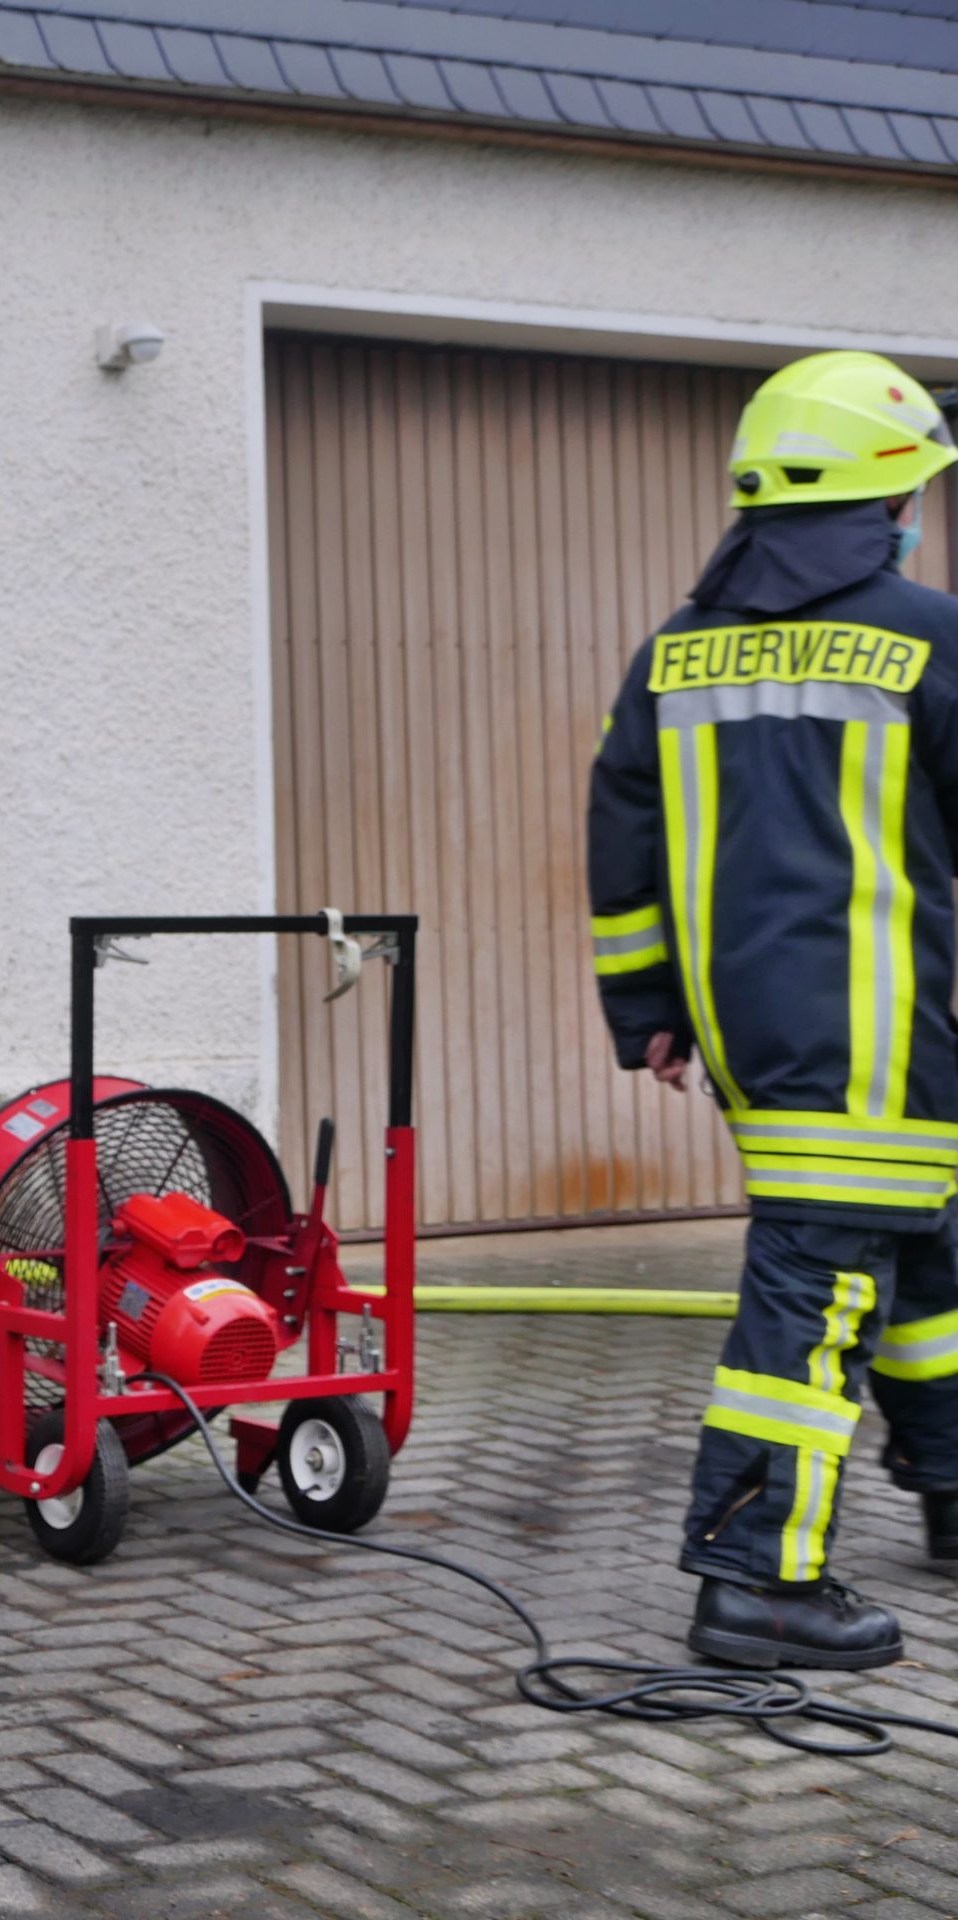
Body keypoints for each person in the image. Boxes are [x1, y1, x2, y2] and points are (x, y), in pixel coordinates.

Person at [589, 349, 958, 1671]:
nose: (917, 516)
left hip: (757, 1029)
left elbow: (623, 841)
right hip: (880, 1035)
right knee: (815, 1294)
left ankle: (950, 1484)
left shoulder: (675, 651)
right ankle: (759, 1581)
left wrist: (647, 1007)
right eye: (914, 494)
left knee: (923, 1255)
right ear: (883, 498)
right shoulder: (928, 636)